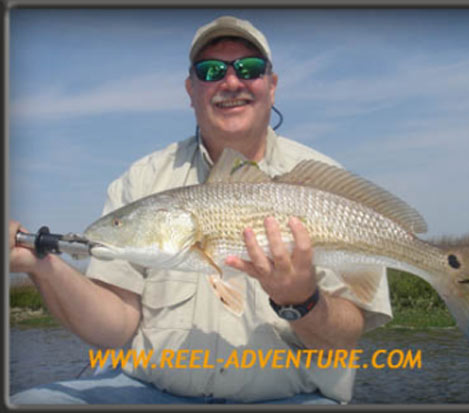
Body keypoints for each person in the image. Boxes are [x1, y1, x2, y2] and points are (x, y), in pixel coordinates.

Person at [9, 15, 392, 405]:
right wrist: (41, 265)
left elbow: (345, 337)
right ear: (191, 90)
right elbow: (115, 328)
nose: (230, 82)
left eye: (249, 68)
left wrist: (301, 300)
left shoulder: (328, 187)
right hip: (150, 393)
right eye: (210, 71)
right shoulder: (142, 179)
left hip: (293, 398)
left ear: (272, 87)